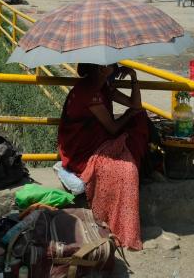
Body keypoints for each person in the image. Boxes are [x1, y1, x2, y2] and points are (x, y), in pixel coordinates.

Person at [58, 63, 148, 251]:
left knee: (140, 117)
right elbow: (113, 128)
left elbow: (135, 105)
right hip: (82, 150)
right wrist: (129, 114)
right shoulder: (90, 91)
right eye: (112, 65)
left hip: (98, 139)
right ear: (101, 69)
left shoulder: (102, 86)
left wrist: (133, 78)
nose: (116, 66)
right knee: (128, 162)